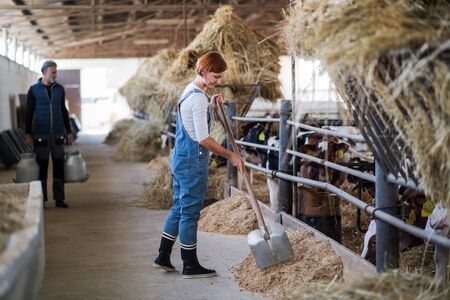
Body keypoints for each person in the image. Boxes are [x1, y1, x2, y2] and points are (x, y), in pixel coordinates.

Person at [153, 51, 245, 279]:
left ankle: (163, 256)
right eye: (216, 76)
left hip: (181, 157)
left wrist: (211, 106)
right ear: (203, 71)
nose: (218, 81)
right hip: (192, 160)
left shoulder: (192, 91)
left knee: (179, 207)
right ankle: (190, 265)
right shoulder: (197, 98)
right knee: (190, 212)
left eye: (220, 77)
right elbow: (203, 138)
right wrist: (230, 155)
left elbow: (194, 121)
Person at [25, 60, 73, 208]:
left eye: (56, 71)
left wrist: (69, 131)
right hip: (41, 134)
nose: (55, 74)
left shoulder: (59, 89)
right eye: (53, 72)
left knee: (59, 165)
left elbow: (64, 111)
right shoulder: (33, 90)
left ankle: (59, 199)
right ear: (44, 72)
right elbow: (28, 113)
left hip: (58, 133)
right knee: (42, 167)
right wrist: (28, 133)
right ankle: (42, 199)